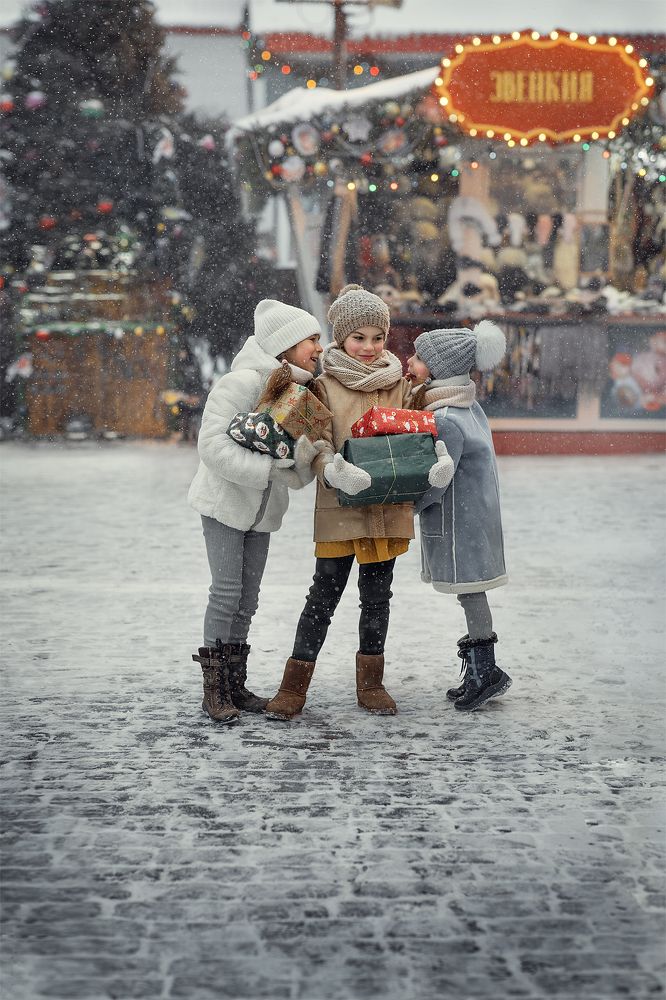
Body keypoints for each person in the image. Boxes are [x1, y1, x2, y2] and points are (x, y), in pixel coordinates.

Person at [265, 284, 455, 721]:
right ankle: (293, 686)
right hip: (340, 507)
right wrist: (332, 468)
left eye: (377, 338)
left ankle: (372, 683)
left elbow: (421, 429)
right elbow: (315, 439)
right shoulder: (323, 384)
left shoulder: (399, 384)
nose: (369, 348)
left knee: (377, 596)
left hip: (388, 507)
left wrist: (435, 456)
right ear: (340, 338)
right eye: (359, 338)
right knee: (323, 595)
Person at [188, 299, 325, 724]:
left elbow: (293, 462)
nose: (319, 348)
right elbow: (211, 445)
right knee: (226, 593)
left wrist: (303, 466)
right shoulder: (241, 382)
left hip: (262, 513)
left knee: (247, 600)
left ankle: (234, 683)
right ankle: (214, 691)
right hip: (225, 507)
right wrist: (267, 469)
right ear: (286, 345)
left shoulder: (298, 393)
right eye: (312, 340)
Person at [406, 321, 512, 711]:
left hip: (460, 523)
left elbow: (438, 480)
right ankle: (479, 670)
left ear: (438, 369)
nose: (410, 362)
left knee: (471, 591)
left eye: (418, 358)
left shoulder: (447, 417)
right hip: (474, 517)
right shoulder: (467, 405)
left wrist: (408, 505)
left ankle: (486, 671)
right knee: (472, 590)